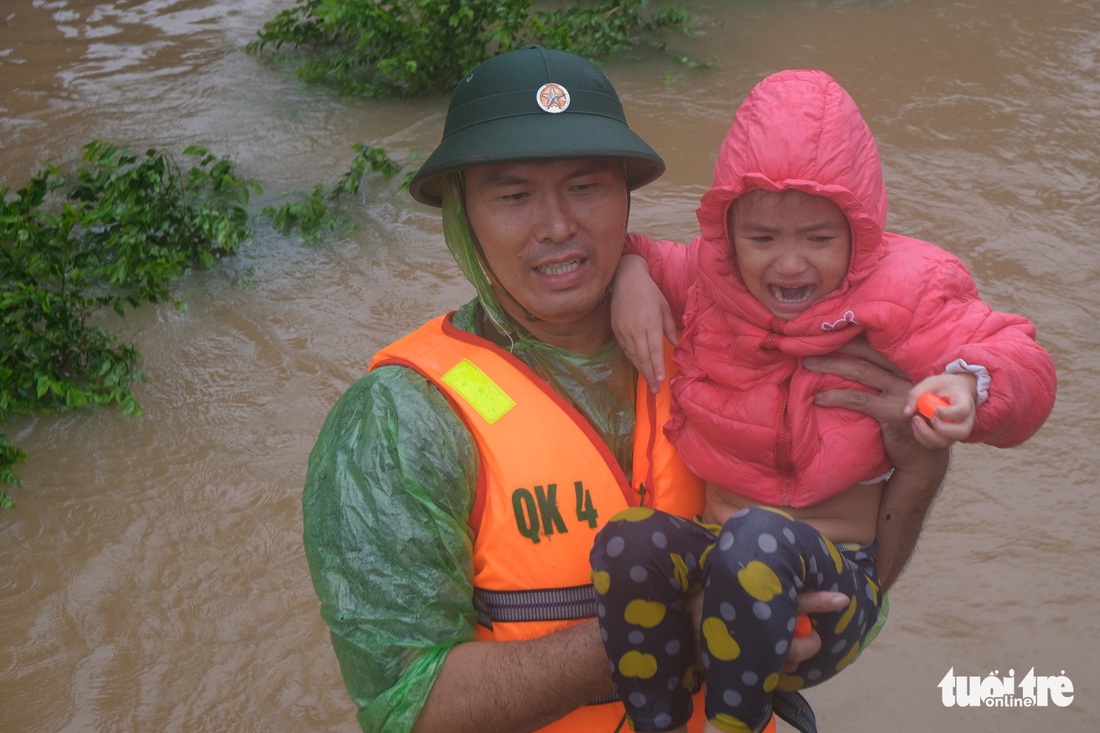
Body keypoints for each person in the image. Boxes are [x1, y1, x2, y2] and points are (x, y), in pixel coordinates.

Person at [301, 49, 950, 733]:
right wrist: (679, 628)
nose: (557, 226)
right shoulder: (400, 418)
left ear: (626, 199)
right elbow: (409, 706)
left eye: (586, 187)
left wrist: (918, 465)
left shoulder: (730, 344)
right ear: (461, 213)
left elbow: (852, 583)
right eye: (514, 195)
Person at [591, 69, 1058, 733]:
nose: (788, 265)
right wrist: (632, 277)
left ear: (860, 231)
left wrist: (964, 387)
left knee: (755, 539)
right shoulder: (706, 276)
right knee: (625, 542)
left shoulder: (906, 284)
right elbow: (623, 250)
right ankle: (658, 722)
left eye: (818, 239)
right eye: (762, 239)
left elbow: (1019, 359)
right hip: (721, 559)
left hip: (837, 584)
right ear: (727, 233)